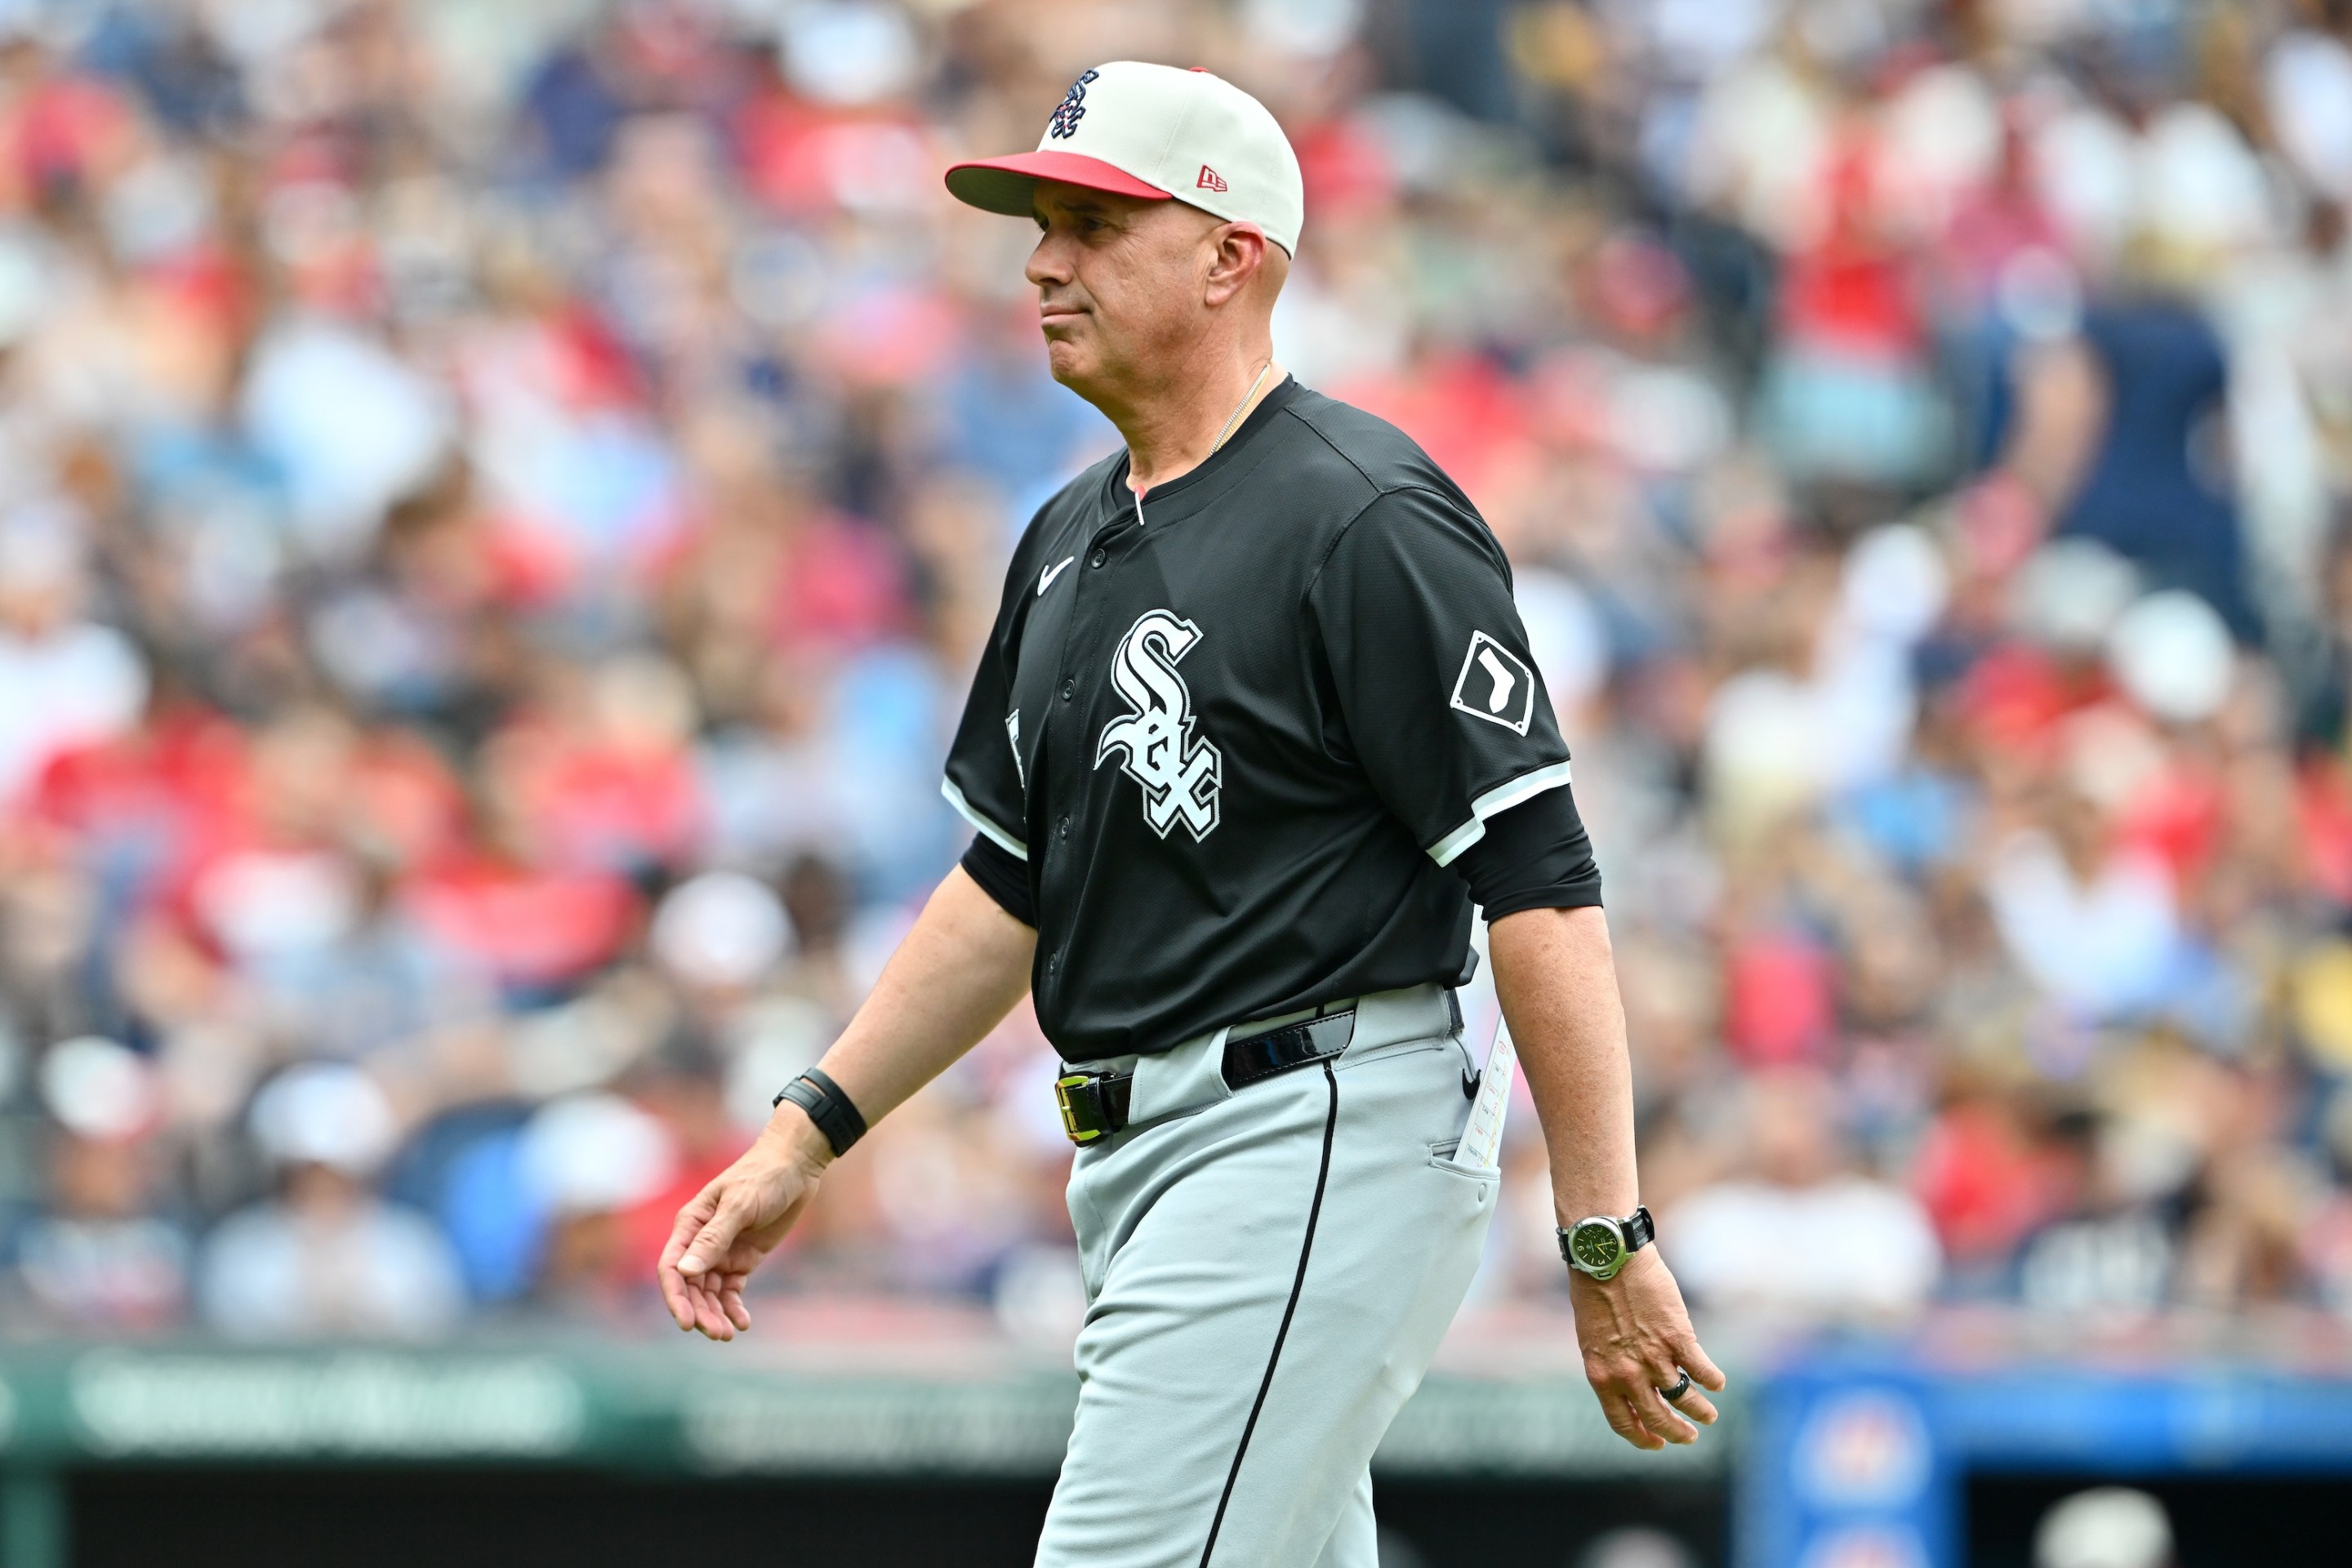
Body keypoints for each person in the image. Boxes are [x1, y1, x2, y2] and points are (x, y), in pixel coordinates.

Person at [657, 60, 1724, 1566]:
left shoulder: (1366, 515)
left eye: (1095, 223)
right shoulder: (1066, 535)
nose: (1042, 259)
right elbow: (1010, 882)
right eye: (1042, 222)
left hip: (1311, 1124)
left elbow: (1539, 879)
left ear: (1234, 255)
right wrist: (806, 1134)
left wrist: (1607, 1236)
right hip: (1145, 1163)